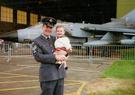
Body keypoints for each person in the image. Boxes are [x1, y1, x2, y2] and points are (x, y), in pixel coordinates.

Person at [32, 17, 66, 95]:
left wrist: (66, 54)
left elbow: (64, 48)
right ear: (42, 27)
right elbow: (38, 56)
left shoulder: (56, 39)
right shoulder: (36, 41)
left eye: (50, 27)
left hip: (60, 74)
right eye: (46, 27)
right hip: (48, 76)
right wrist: (55, 57)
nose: (48, 29)